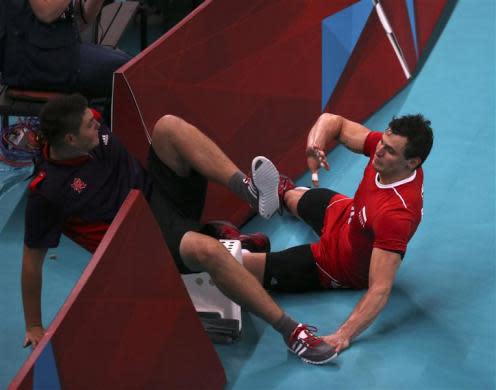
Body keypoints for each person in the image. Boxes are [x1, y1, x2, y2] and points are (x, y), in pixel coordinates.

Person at [21, 93, 337, 365]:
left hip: (157, 195)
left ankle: (252, 194)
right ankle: (291, 333)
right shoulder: (48, 193)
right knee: (206, 250)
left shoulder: (87, 128)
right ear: (70, 140)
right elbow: (31, 263)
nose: (97, 123)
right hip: (142, 242)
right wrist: (34, 324)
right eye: (89, 125)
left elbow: (113, 131)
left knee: (168, 127)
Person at [243, 112, 434, 353]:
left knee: (243, 265)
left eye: (390, 151)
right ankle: (283, 196)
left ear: (412, 162)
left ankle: (233, 255)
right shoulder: (385, 150)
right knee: (294, 197)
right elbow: (334, 123)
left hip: (335, 264)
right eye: (382, 143)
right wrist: (315, 146)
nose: (379, 151)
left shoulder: (395, 214)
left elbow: (380, 289)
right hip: (345, 215)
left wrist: (344, 334)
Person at [0, 0, 131, 99]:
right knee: (126, 72)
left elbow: (81, 23)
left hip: (60, 52)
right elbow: (45, 13)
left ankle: (100, 131)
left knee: (130, 65)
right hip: (31, 64)